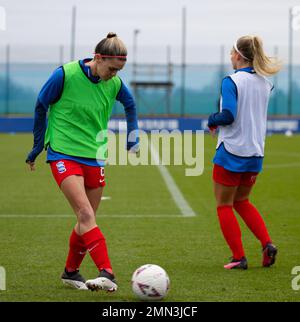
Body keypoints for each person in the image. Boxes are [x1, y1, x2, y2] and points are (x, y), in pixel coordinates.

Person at [26, 32, 139, 290]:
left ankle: (70, 272)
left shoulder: (115, 83)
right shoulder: (64, 75)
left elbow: (130, 105)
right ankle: (107, 273)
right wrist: (37, 147)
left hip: (95, 155)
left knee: (85, 220)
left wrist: (132, 138)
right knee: (86, 213)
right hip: (63, 152)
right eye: (111, 68)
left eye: (119, 70)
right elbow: (41, 106)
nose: (114, 74)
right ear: (97, 58)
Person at [208, 35, 281, 270]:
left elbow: (228, 115)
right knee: (242, 201)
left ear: (238, 55)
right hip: (255, 153)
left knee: (224, 205)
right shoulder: (265, 82)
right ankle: (267, 244)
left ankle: (238, 257)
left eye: (231, 52)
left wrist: (212, 119)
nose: (230, 56)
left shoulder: (231, 81)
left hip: (231, 151)